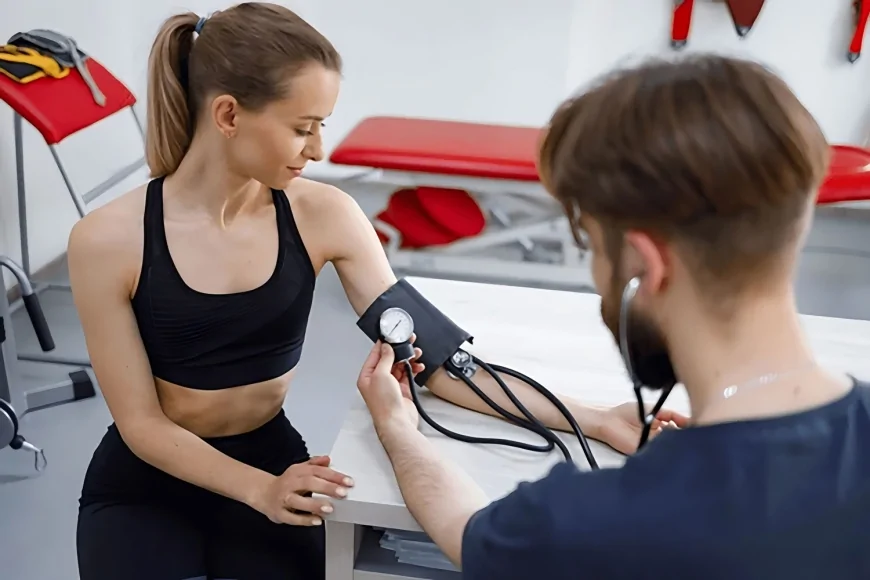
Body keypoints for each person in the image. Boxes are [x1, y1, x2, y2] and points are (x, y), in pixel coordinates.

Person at [68, 3, 683, 579]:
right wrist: (259, 490)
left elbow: (438, 365)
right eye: (302, 128)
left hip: (271, 457)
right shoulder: (108, 240)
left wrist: (599, 419)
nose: (319, 149)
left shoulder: (324, 216)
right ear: (228, 115)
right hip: (148, 481)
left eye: (322, 127)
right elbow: (142, 425)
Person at [355, 54, 870, 579]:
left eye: (594, 248)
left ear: (646, 267)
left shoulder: (585, 525)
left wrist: (399, 431)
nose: (598, 273)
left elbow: (467, 531)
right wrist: (598, 418)